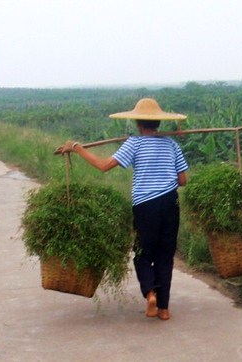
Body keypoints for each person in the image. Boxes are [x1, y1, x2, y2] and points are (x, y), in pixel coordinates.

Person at [57, 98, 188, 321]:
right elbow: (183, 180)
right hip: (170, 204)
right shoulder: (171, 144)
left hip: (145, 207)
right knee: (165, 256)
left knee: (143, 254)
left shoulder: (134, 144)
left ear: (138, 124)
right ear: (157, 124)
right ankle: (164, 309)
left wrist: (77, 148)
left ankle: (150, 294)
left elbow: (103, 166)